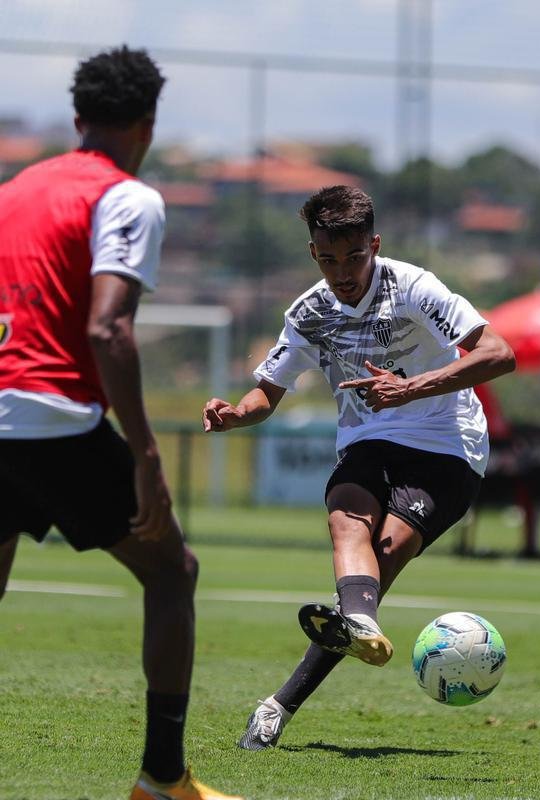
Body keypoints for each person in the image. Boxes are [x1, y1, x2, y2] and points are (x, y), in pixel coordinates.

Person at [0, 46, 241, 800]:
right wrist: (145, 455)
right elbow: (109, 330)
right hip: (54, 420)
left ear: (77, 120)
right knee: (173, 573)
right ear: (147, 123)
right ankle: (163, 778)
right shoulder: (128, 197)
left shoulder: (13, 190)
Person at [202, 185, 516, 748]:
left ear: (374, 244)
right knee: (346, 521)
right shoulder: (308, 314)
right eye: (328, 259)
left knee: (388, 552)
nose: (342, 272)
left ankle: (280, 703)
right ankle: (357, 627)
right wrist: (232, 415)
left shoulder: (414, 287)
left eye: (353, 258)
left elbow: (498, 353)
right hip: (369, 437)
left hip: (448, 443)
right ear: (312, 252)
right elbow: (265, 394)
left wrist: (410, 388)